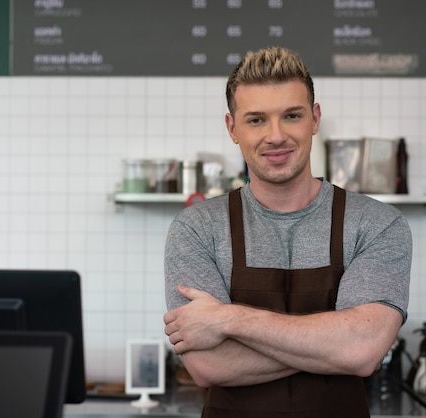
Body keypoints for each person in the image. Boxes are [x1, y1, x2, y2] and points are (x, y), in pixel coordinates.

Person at [163, 46, 411, 418]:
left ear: (315, 118)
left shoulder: (377, 224)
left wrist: (228, 320)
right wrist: (334, 344)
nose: (275, 136)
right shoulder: (197, 228)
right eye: (256, 120)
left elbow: (363, 352)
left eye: (291, 115)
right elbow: (208, 366)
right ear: (233, 128)